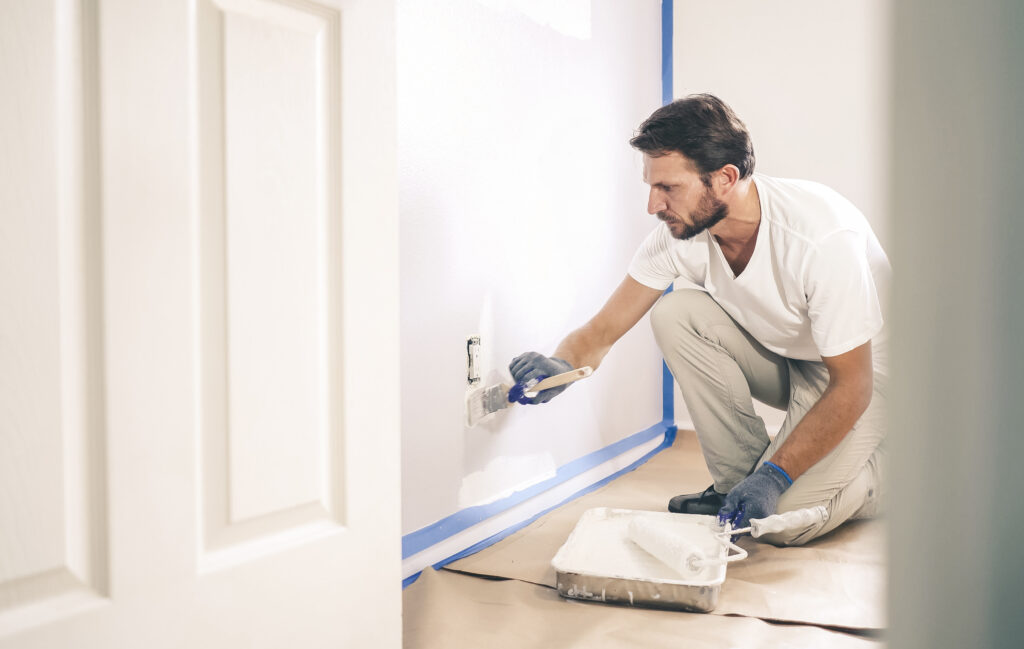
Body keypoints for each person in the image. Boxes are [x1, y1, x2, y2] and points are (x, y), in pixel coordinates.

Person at [508, 94, 890, 545]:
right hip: (797, 361)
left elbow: (853, 385)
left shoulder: (819, 238)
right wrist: (561, 367)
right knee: (676, 313)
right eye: (651, 187)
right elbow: (602, 331)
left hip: (868, 378)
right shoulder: (679, 237)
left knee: (779, 525)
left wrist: (775, 477)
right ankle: (736, 487)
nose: (653, 205)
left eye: (668, 188)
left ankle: (885, 480)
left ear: (726, 178)